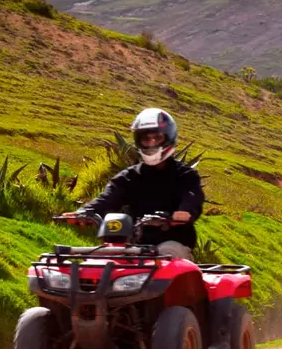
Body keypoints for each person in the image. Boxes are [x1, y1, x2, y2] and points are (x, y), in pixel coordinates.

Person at [63, 108, 204, 260]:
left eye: (157, 138)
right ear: (138, 141)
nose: (151, 143)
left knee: (168, 254)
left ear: (169, 138)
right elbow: (107, 199)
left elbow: (192, 196)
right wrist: (84, 213)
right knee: (100, 258)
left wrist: (185, 211)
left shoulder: (185, 175)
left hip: (172, 244)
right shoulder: (129, 177)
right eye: (146, 139)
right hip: (135, 245)